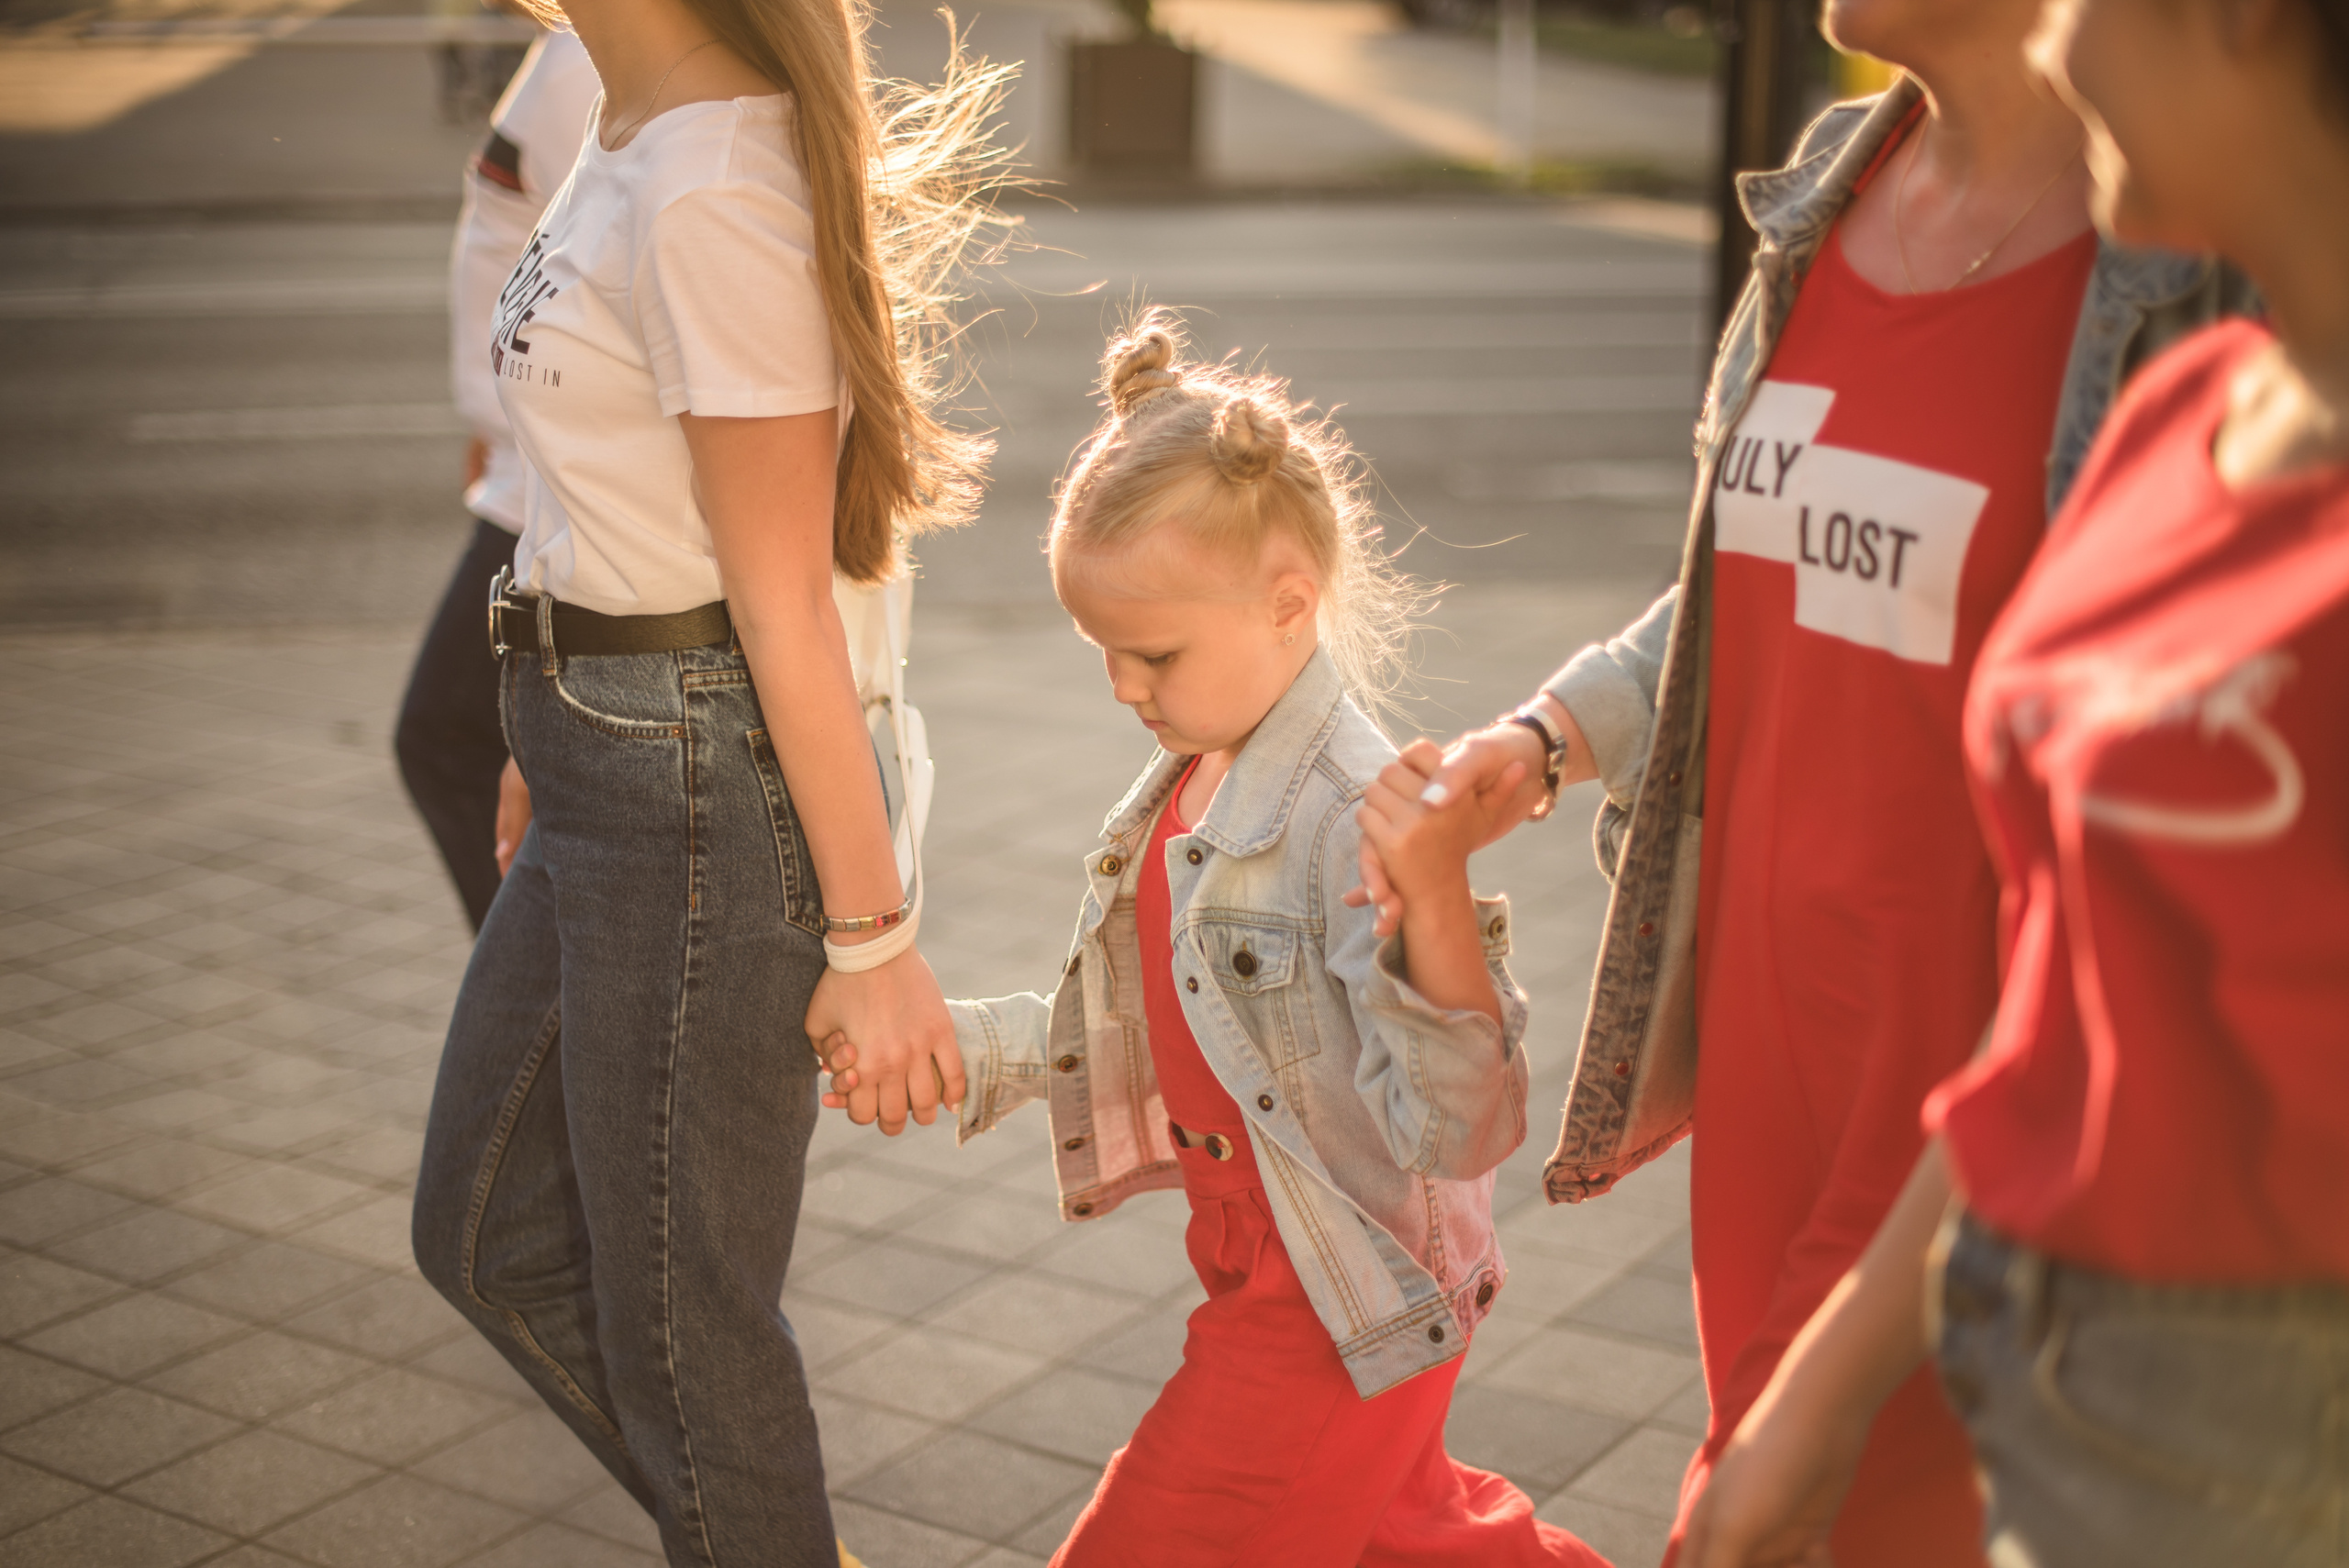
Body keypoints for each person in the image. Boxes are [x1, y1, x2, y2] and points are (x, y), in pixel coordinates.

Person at [1353, 2, 2249, 1562]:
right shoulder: (1831, 186)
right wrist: (1549, 737)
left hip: (1977, 1066)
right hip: (1768, 1048)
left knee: (1766, 1511)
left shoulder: (2183, 262)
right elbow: (1760, 573)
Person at [1678, 0, 2349, 1562]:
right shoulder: (2184, 409)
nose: (2057, 47)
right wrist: (1819, 1396)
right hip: (2043, 1368)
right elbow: (2066, 1005)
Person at [818, 316, 1609, 1568]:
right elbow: (1140, 1031)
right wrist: (957, 1047)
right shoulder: (1194, 780)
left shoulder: (1349, 817)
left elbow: (1463, 1127)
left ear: (1288, 604)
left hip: (1337, 1304)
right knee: (1413, 1545)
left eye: (1154, 653)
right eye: (1102, 653)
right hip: (1270, 1269)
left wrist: (1436, 905)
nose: (1123, 687)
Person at [406, 0, 1012, 1555]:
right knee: (487, 1236)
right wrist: (541, 713)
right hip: (601, 750)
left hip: (686, 781)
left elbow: (786, 599)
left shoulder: (715, 178)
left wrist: (875, 942)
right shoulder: (628, 121)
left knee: (693, 1343)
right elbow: (601, 473)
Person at [395, 26, 598, 932]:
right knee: (470, 743)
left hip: (551, 486)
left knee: (447, 738)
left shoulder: (595, 55)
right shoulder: (574, 44)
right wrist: (490, 421)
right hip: (527, 466)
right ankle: (557, 978)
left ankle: (553, 981)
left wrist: (521, 441)